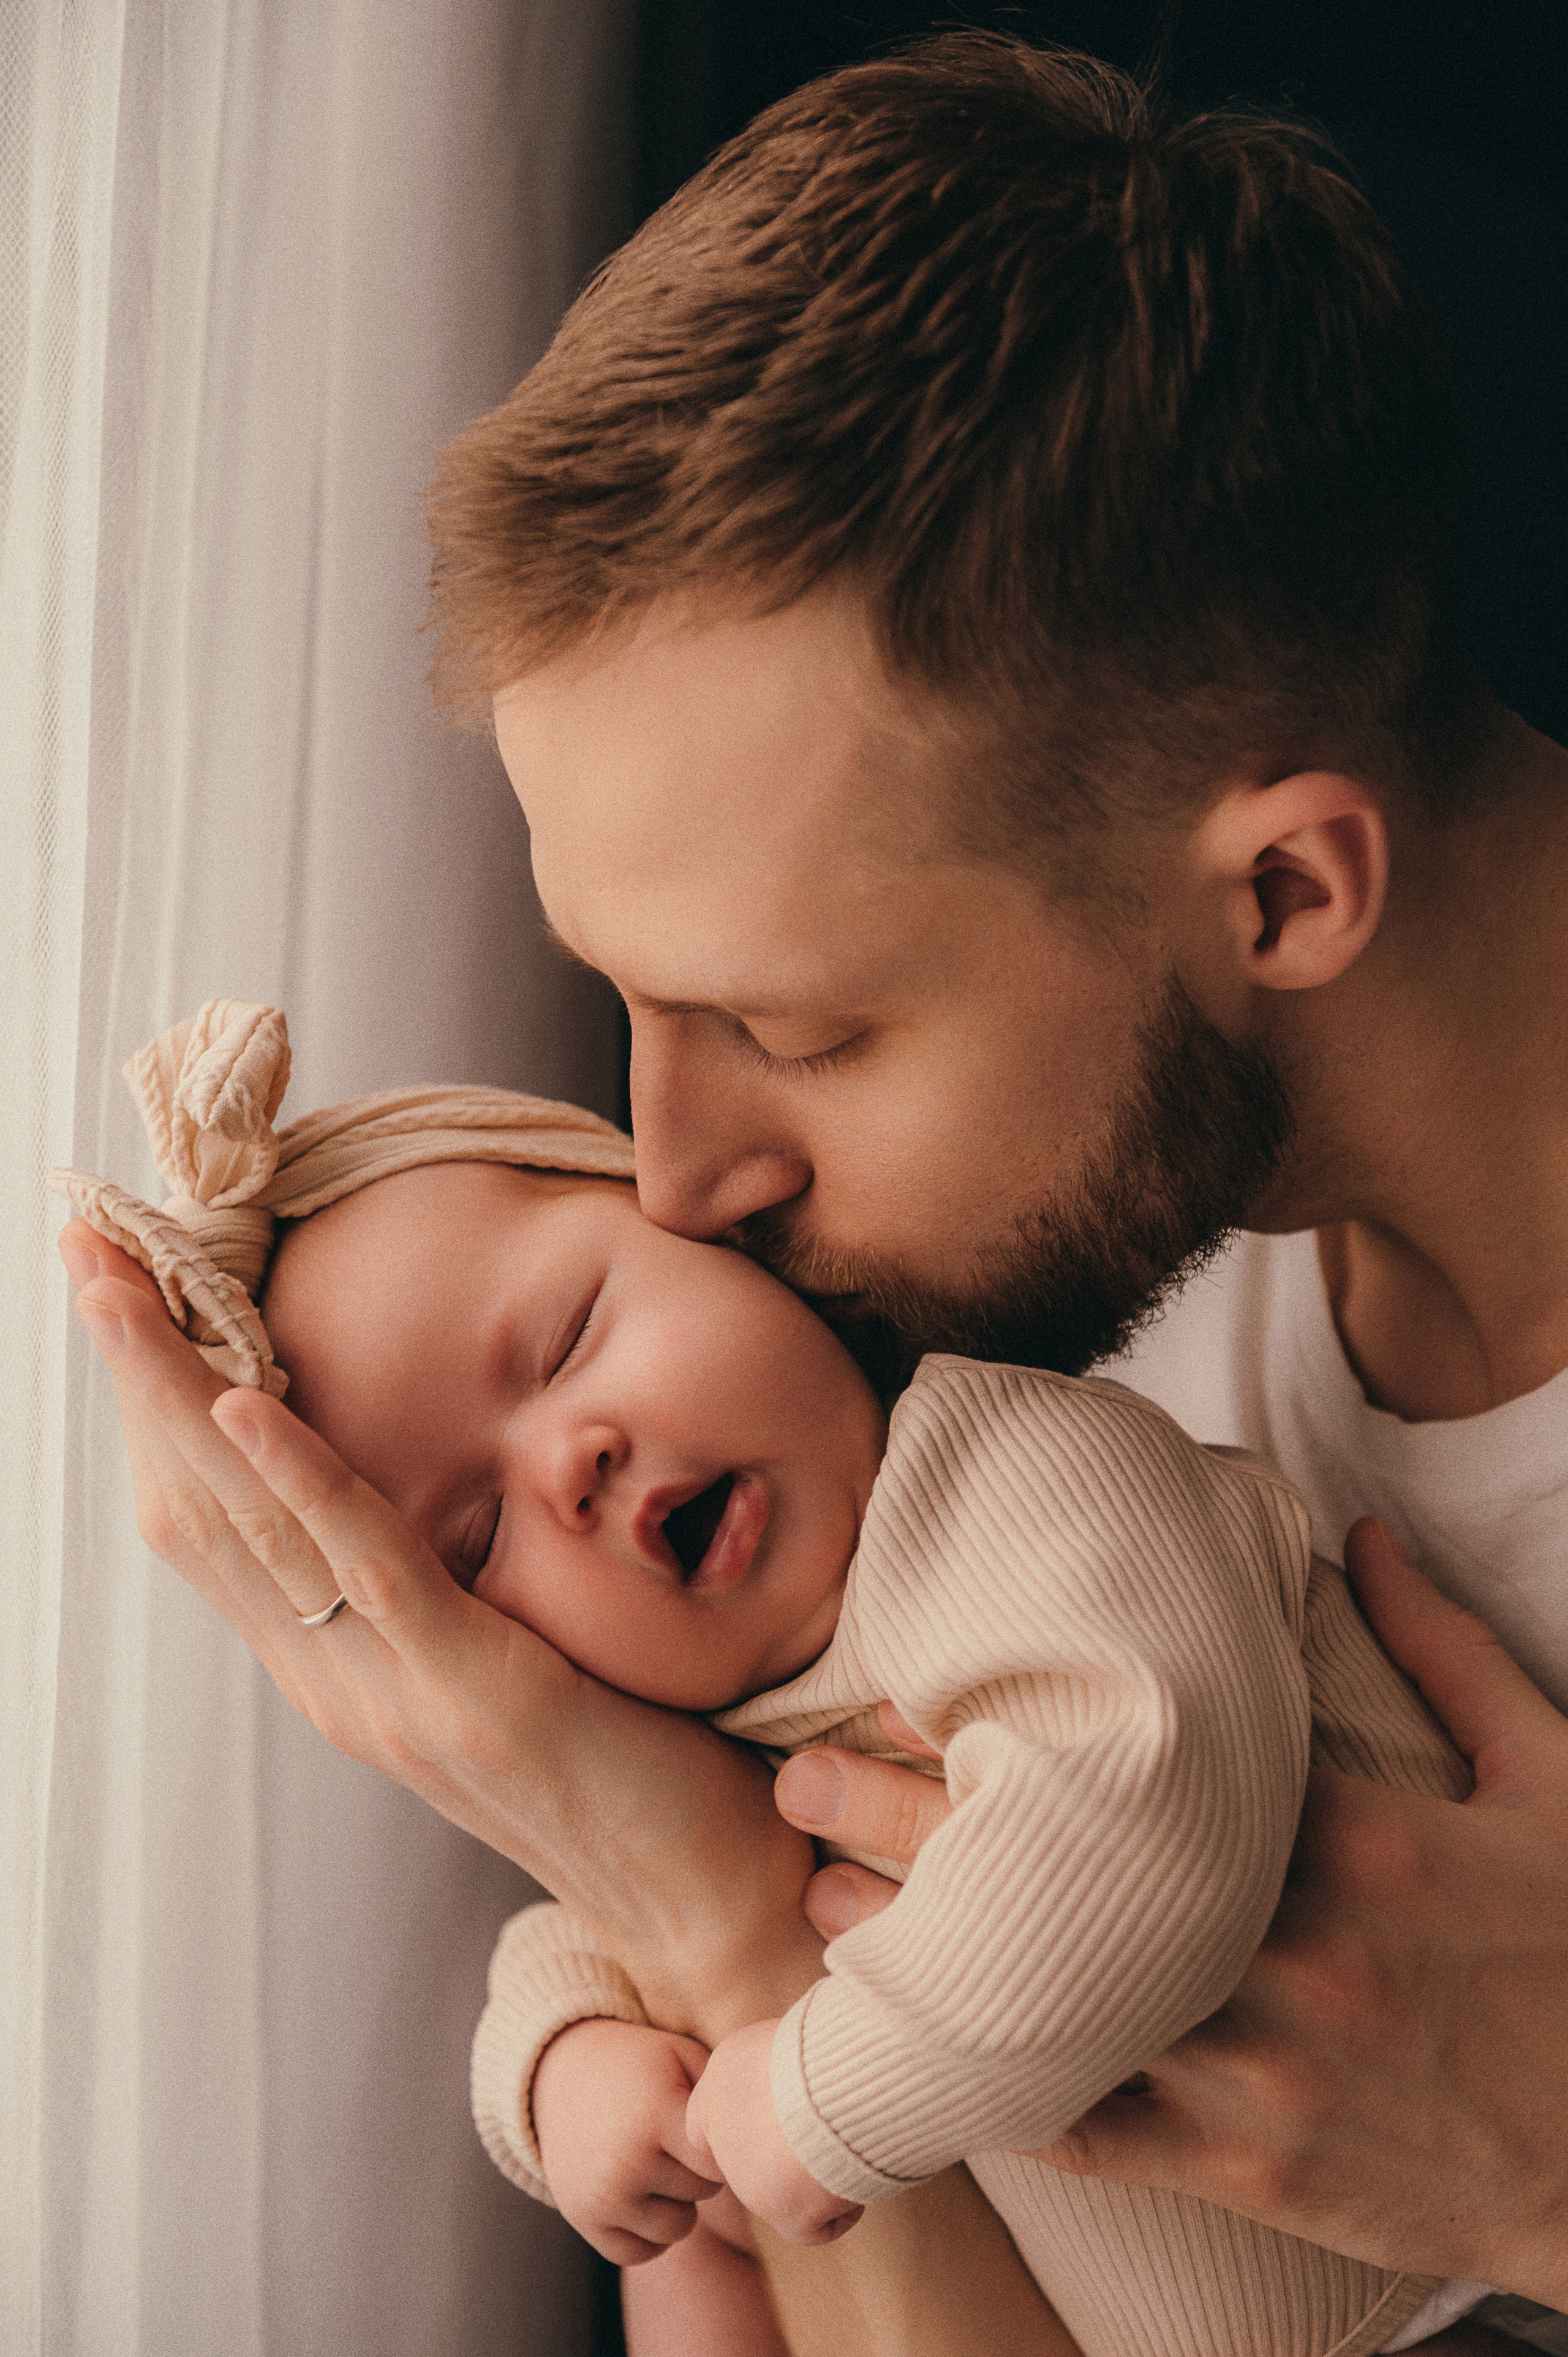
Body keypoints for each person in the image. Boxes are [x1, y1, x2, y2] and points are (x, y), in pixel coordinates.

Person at [61, 29, 1568, 2356]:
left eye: (792, 1027)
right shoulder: (1089, 1290)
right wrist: (681, 1887)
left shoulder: (1038, 1366)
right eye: (626, 1004)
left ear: (1282, 893)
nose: (676, 1176)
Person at [56, 996, 1472, 2357]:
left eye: (567, 1339)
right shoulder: (717, 1718)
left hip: (1444, 2272)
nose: (569, 1460)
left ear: (718, 1248)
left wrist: (824, 2095)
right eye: (476, 1543)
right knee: (691, 2220)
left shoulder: (1015, 1484)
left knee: (754, 2154)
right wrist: (564, 2066)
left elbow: (1134, 1821)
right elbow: (592, 1922)